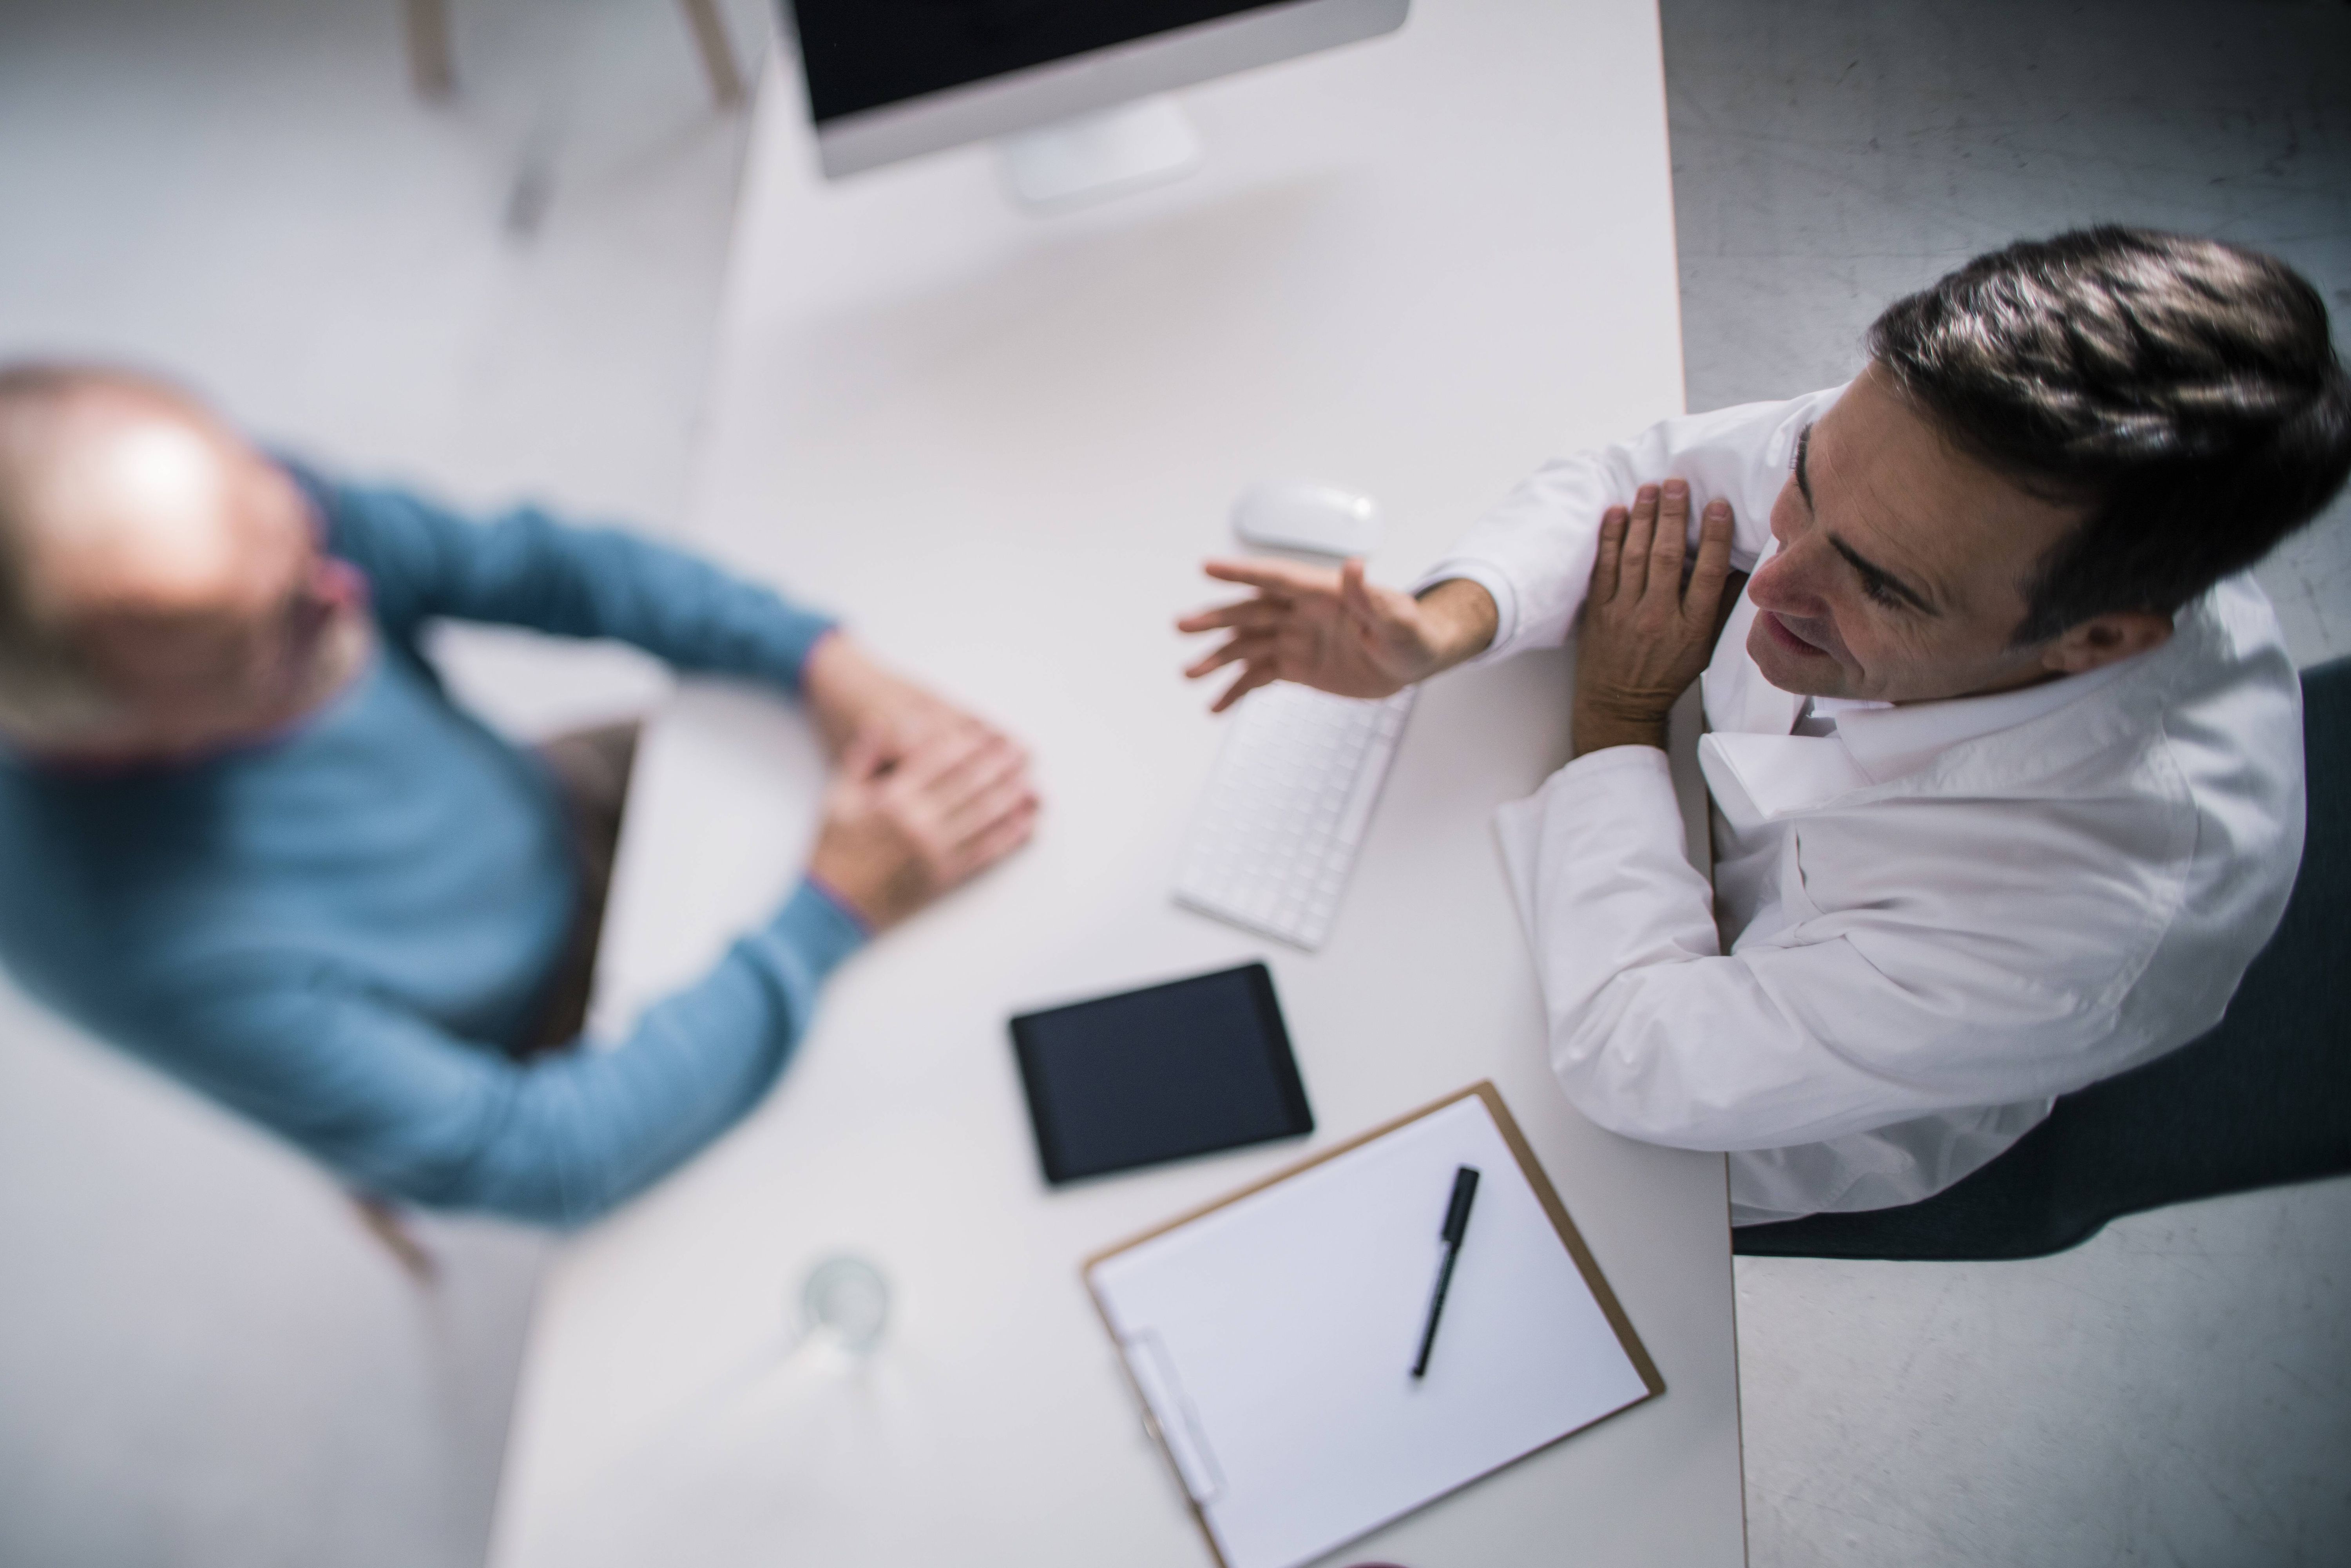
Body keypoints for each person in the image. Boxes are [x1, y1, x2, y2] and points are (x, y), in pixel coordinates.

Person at [1179, 227, 2351, 1225]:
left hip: (1709, 1137)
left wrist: (1620, 719)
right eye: (1808, 478)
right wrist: (1442, 630)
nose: (1774, 581)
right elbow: (1640, 480)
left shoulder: (2078, 928)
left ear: (2095, 640)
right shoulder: (1935, 465)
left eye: (1884, 587)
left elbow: (1642, 1058)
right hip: (1642, 850)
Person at [0, 364, 1038, 1228]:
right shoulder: (132, 938)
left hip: (549, 796)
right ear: (116, 728)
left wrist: (817, 659)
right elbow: (539, 1157)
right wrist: (829, 910)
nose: (346, 589)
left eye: (304, 530)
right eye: (283, 631)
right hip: (544, 1028)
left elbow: (544, 568)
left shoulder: (237, 531)